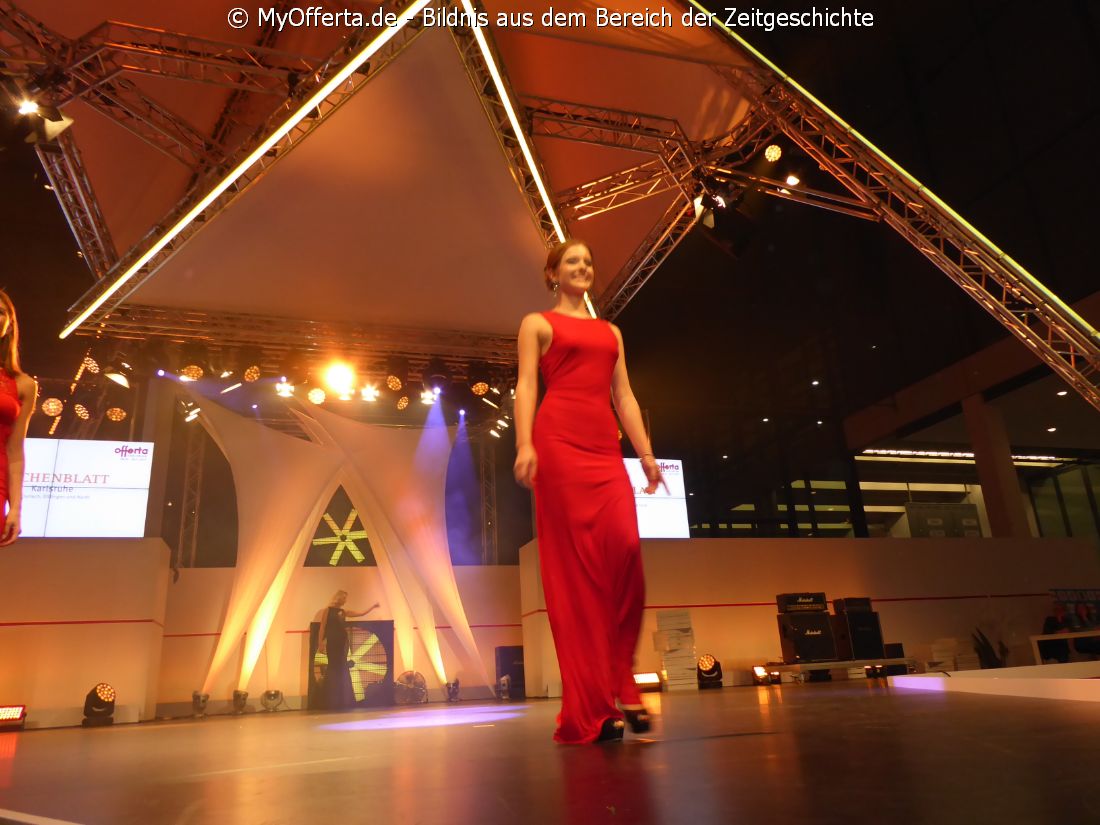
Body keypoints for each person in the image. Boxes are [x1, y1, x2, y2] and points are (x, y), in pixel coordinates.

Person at [514, 239, 665, 744]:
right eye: (571, 261)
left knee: (625, 550)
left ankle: (621, 676)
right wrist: (524, 443)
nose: (582, 266)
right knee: (578, 577)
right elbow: (527, 386)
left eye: (587, 261)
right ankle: (594, 706)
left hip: (604, 451)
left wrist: (646, 455)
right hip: (558, 445)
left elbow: (624, 395)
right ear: (552, 273)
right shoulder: (537, 324)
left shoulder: (610, 332)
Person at [0, 290, 37, 547]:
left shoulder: (23, 384)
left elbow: (15, 451)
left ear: (9, 326)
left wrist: (16, 508)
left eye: (0, 312)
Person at [316, 591, 380, 708]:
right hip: (332, 641)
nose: (345, 601)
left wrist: (372, 607)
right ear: (339, 598)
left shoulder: (344, 612)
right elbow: (322, 627)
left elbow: (361, 613)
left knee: (342, 667)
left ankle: (343, 697)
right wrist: (320, 643)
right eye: (344, 598)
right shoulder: (327, 611)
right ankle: (330, 697)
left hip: (342, 641)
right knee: (332, 666)